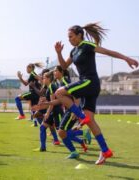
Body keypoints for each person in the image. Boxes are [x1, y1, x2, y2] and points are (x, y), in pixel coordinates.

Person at [54, 23, 138, 164]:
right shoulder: (73, 51)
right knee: (90, 120)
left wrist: (126, 58)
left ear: (79, 35)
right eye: (68, 37)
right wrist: (58, 53)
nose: (69, 39)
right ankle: (105, 150)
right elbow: (64, 67)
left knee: (59, 92)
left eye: (71, 36)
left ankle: (81, 117)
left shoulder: (87, 45)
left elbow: (108, 52)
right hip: (87, 86)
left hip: (90, 82)